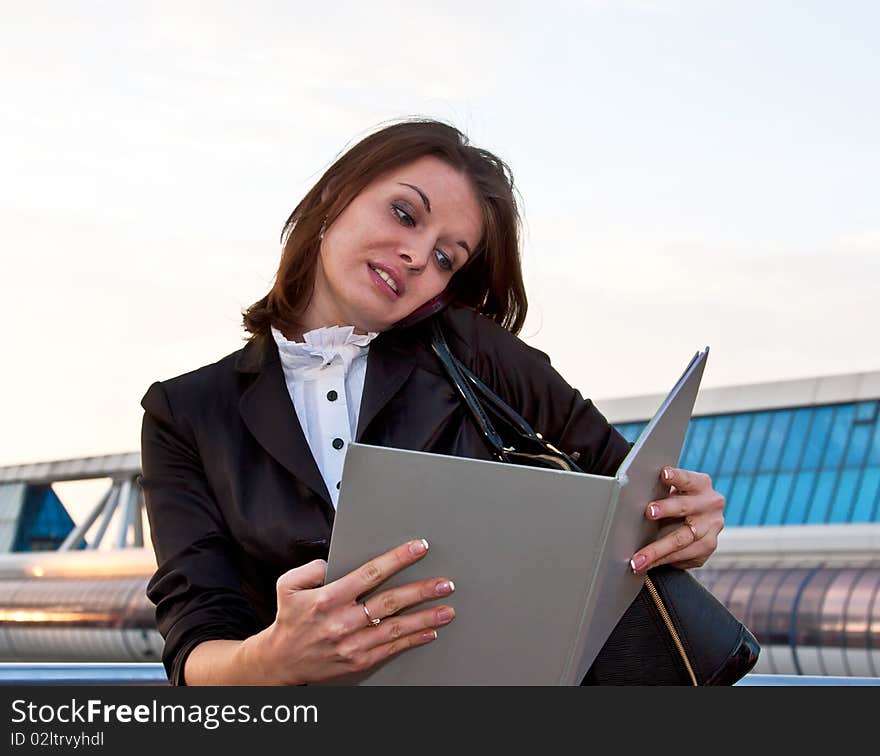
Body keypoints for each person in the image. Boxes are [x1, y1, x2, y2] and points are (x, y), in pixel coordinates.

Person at [139, 118, 726, 686]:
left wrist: (686, 521)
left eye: (447, 257)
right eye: (404, 213)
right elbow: (194, 647)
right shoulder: (185, 412)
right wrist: (274, 658)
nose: (418, 256)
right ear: (333, 197)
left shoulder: (474, 353)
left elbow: (633, 496)